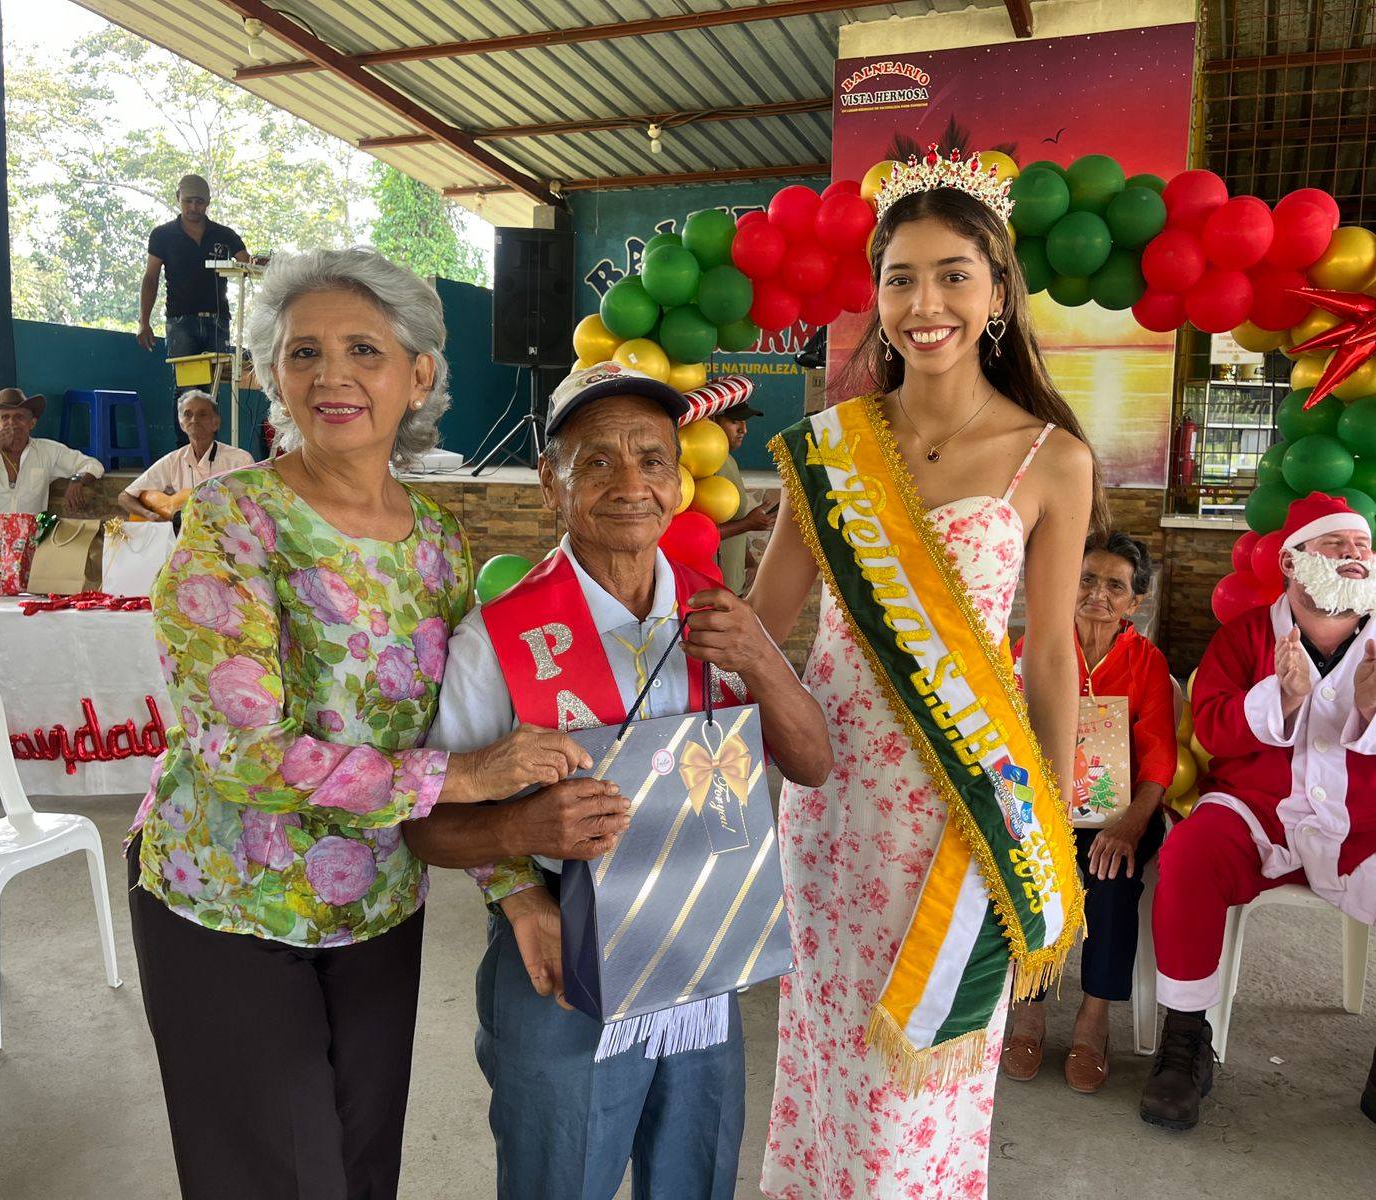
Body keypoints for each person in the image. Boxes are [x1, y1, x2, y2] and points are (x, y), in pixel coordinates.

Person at [126, 248, 583, 1199]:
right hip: (231, 899)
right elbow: (241, 754)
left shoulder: (439, 540)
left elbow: (459, 730)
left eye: (363, 350)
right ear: (274, 375)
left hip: (377, 900)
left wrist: (515, 890)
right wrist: (461, 781)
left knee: (363, 1166)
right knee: (274, 1177)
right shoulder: (232, 520)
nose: (332, 376)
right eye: (305, 353)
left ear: (418, 375)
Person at [750, 150, 1099, 1198]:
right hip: (832, 806)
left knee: (925, 1084)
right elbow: (762, 628)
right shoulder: (829, 450)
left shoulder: (1052, 458)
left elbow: (1049, 654)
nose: (925, 304)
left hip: (964, 812)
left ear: (997, 294)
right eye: (900, 278)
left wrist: (1045, 824)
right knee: (827, 1059)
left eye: (953, 275)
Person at [404, 361, 832, 1200]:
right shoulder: (498, 637)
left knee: (694, 1176)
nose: (631, 483)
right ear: (549, 484)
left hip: (704, 960)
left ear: (678, 483)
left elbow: (813, 763)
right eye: (596, 461)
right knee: (558, 1178)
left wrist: (761, 662)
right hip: (563, 960)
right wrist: (517, 831)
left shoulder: (717, 613)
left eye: (652, 459)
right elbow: (423, 824)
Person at [1142, 492, 1376, 1179]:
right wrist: (1278, 698)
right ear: (1291, 561)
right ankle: (1186, 1039)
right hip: (1259, 820)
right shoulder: (1245, 638)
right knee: (1189, 850)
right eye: (1334, 543)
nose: (1353, 554)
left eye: (1361, 545)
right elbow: (1212, 727)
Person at [1002, 531, 1175, 1093]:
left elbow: (1159, 760)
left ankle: (1093, 1017)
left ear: (1135, 601)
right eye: (1087, 579)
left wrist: (1130, 825)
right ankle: (1029, 1008)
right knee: (1028, 870)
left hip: (1117, 815)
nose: (1098, 594)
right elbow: (1007, 739)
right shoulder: (1034, 648)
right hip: (1042, 808)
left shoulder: (1146, 663)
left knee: (1115, 878)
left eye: (1115, 586)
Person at [0, 387, 102, 553]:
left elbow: (92, 465)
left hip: (24, 549)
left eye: (19, 417)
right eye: (5, 417)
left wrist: (77, 479)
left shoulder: (48, 451)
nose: (12, 423)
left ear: (32, 423)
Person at [138, 174, 249, 366]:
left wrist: (262, 263)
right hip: (180, 321)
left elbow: (247, 264)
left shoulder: (225, 235)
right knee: (186, 381)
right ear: (178, 198)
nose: (193, 207)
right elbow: (150, 278)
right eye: (188, 201)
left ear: (208, 202)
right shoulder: (162, 235)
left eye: (199, 202)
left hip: (218, 321)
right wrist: (144, 321)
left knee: (217, 381)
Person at [117, 390, 254, 521]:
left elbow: (257, 507)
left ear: (216, 423)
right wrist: (151, 515)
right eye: (188, 414)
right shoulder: (173, 460)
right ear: (181, 424)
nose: (194, 420)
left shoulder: (241, 460)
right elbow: (125, 497)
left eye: (202, 414)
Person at [711, 400, 775, 592]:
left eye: (745, 422)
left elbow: (735, 524)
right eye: (735, 421)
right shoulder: (706, 466)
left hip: (733, 585)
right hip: (710, 590)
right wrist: (747, 524)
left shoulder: (728, 459)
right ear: (713, 420)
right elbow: (694, 536)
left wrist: (750, 563)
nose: (743, 430)